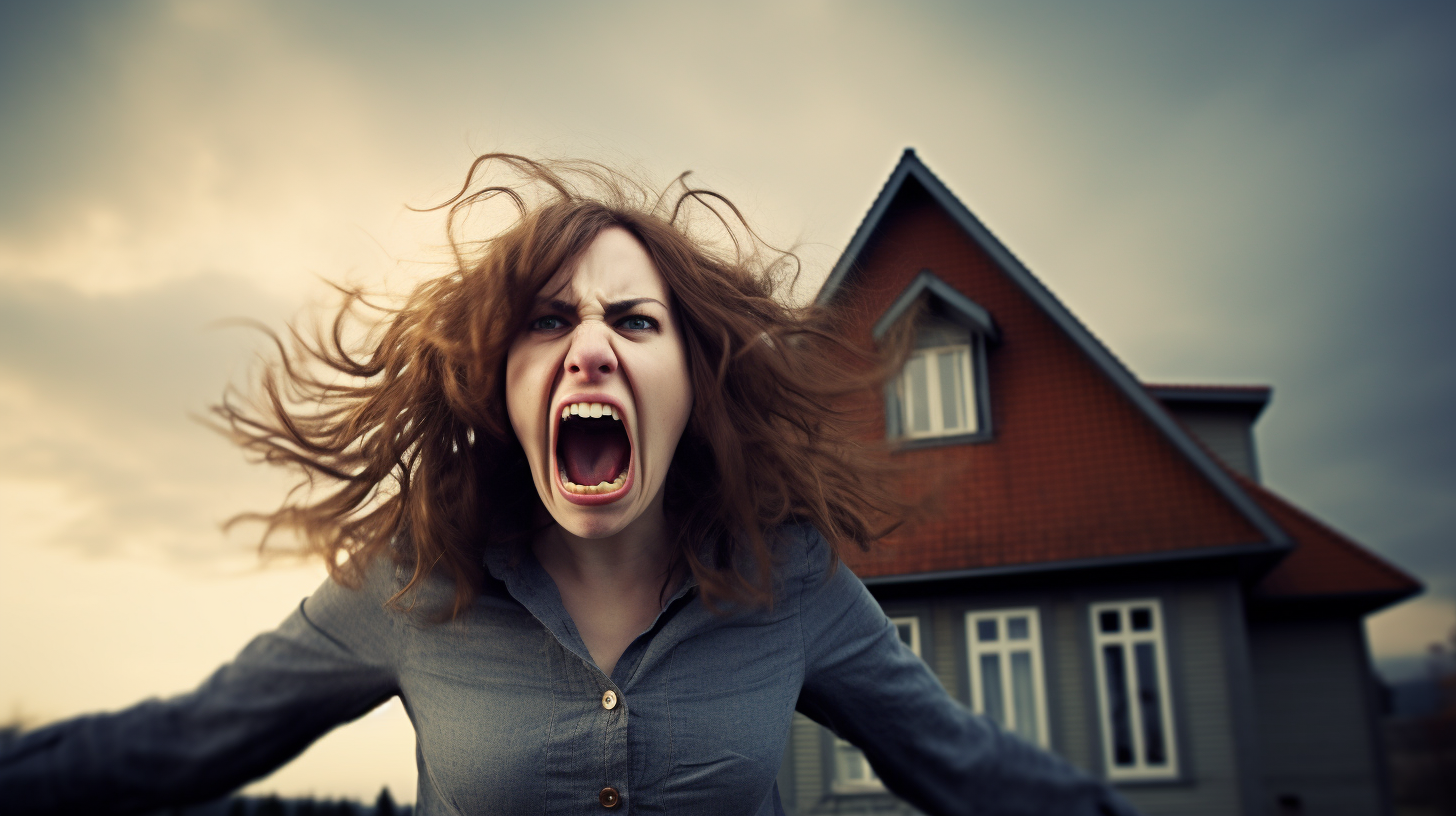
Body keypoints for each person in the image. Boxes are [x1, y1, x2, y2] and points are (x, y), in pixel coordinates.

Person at [0, 155, 1138, 815]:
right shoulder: (412, 583)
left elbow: (973, 773)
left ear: (690, 382)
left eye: (633, 322)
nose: (590, 348)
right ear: (503, 382)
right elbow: (184, 741)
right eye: (550, 321)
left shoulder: (790, 583)